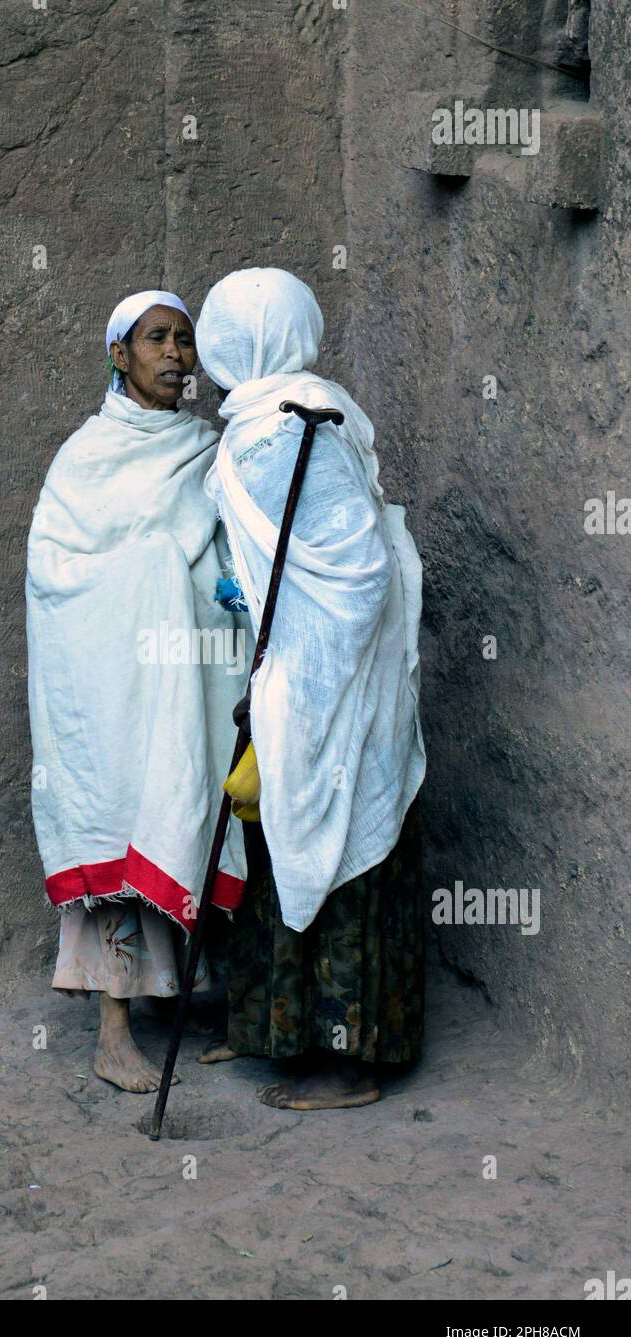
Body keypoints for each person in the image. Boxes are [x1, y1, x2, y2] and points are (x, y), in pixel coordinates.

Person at [193, 267, 427, 1109]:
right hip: (293, 674)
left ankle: (349, 1064)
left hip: (340, 685)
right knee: (281, 839)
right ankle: (271, 1031)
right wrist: (260, 612)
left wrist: (304, 665)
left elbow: (357, 573)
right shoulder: (262, 425)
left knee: (341, 861)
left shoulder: (304, 429)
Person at [26, 290, 249, 1093]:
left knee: (202, 802)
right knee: (118, 820)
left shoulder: (206, 449)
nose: (175, 355)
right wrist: (154, 566)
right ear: (119, 354)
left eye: (185, 340)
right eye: (156, 339)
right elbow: (53, 574)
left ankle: (227, 1006)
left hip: (192, 674)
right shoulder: (86, 459)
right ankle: (112, 1036)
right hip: (111, 685)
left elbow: (233, 553)